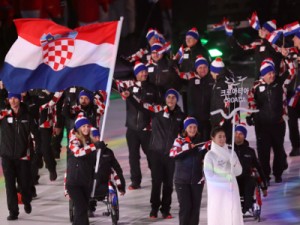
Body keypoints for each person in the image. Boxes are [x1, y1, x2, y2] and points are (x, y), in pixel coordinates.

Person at [247, 58, 295, 183]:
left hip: (278, 124)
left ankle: (278, 173)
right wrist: (249, 116)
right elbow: (251, 102)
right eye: (269, 73)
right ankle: (265, 176)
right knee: (263, 152)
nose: (272, 75)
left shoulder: (280, 83)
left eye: (273, 72)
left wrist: (287, 57)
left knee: (279, 150)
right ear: (263, 74)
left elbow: (293, 71)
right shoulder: (256, 86)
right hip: (262, 125)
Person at [115, 61, 160, 190]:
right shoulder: (129, 88)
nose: (144, 73)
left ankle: (157, 177)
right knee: (133, 156)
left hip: (147, 129)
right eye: (141, 71)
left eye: (145, 71)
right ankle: (135, 181)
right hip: (132, 129)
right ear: (136, 74)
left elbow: (155, 107)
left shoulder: (153, 88)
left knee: (151, 155)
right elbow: (116, 85)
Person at [0, 93, 39, 220]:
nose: (12, 100)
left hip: (23, 157)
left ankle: (27, 201)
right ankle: (13, 212)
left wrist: (35, 153)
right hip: (7, 156)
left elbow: (36, 135)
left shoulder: (28, 116)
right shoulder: (3, 115)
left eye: (15, 98)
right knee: (10, 185)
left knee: (24, 184)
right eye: (10, 98)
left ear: (20, 99)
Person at [65, 116, 105, 225]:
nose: (86, 128)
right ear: (78, 128)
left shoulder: (90, 141)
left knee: (81, 211)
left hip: (86, 181)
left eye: (88, 126)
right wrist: (94, 146)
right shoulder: (74, 141)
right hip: (74, 183)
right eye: (83, 126)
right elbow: (78, 153)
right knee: (81, 208)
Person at [170, 117, 207, 225]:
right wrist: (187, 147)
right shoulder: (179, 141)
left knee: (195, 209)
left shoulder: (201, 142)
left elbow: (207, 156)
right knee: (185, 208)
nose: (192, 129)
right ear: (185, 129)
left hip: (197, 181)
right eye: (190, 127)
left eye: (195, 127)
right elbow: (173, 154)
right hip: (181, 181)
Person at [204, 126, 243, 225]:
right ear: (213, 138)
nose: (222, 139)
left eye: (224, 136)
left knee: (233, 214)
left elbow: (239, 172)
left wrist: (234, 163)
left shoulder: (231, 152)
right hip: (218, 193)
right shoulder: (210, 155)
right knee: (219, 215)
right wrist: (226, 179)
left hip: (232, 190)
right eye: (219, 137)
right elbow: (209, 175)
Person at [88, 127, 126, 217]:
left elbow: (117, 169)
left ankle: (112, 208)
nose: (97, 139)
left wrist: (121, 186)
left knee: (110, 186)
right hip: (89, 185)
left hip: (104, 184)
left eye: (98, 136)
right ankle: (89, 207)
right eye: (94, 137)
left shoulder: (108, 152)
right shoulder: (87, 153)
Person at [177, 55, 214, 141]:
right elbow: (177, 76)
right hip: (194, 121)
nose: (202, 69)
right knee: (195, 143)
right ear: (196, 69)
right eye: (200, 67)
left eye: (205, 67)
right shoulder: (190, 79)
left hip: (208, 119)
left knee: (207, 143)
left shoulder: (212, 79)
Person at [234, 124, 268, 216]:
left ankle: (247, 208)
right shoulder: (229, 149)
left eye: (240, 133)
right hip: (233, 178)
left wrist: (264, 187)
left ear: (244, 136)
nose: (237, 135)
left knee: (250, 181)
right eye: (236, 133)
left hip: (246, 177)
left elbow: (259, 168)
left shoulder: (250, 151)